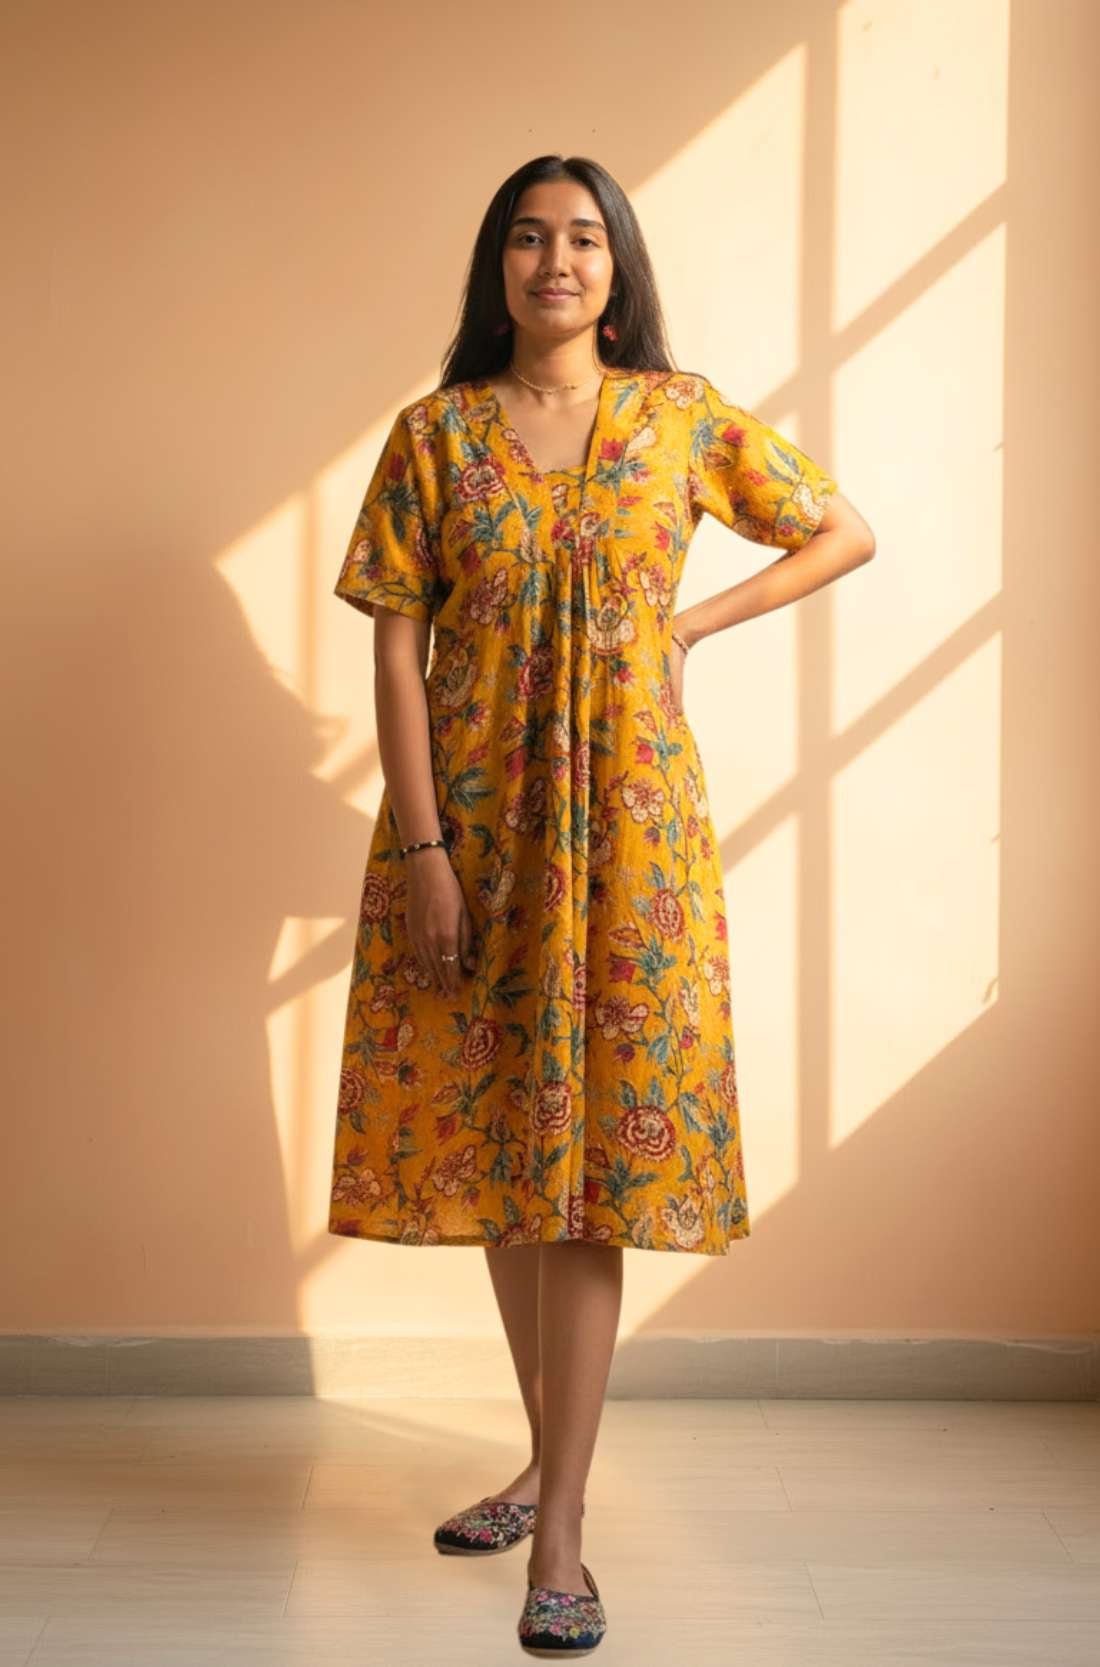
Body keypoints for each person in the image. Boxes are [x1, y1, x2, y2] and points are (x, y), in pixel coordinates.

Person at [328, 153, 876, 1656]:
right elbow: (393, 654)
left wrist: (688, 623)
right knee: (506, 1148)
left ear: (617, 268)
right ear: (497, 267)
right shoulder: (435, 435)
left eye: (582, 237)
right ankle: (541, 1462)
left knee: (585, 1181)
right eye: (527, 237)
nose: (554, 260)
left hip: (628, 839)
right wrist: (426, 853)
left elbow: (842, 527)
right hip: (472, 833)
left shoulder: (678, 419)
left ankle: (558, 1526)